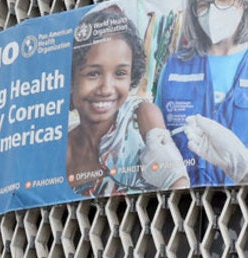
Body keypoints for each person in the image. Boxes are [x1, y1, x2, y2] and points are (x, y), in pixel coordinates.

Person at [157, 0, 248, 185]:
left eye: (223, 1)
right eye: (204, 4)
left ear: (245, 4)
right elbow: (160, 145)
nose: (213, 9)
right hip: (190, 206)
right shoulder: (173, 69)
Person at [66, 7, 189, 196]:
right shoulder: (60, 145)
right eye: (93, 73)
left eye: (120, 73)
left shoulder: (140, 115)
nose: (107, 88)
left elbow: (175, 177)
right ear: (72, 78)